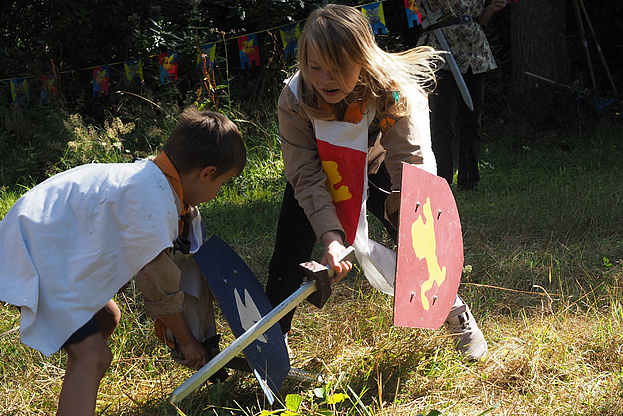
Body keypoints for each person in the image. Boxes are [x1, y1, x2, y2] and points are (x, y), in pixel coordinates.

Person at [265, 4, 487, 362]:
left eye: (337, 68)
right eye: (315, 67)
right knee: (287, 259)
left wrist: (405, 206)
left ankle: (453, 308)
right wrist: (332, 238)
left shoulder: (392, 90)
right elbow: (304, 174)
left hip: (376, 165)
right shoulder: (295, 98)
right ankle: (274, 340)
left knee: (421, 240)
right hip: (322, 176)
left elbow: (411, 160)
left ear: (362, 59)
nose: (324, 79)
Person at [0, 107, 246, 416]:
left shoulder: (152, 181)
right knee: (93, 355)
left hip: (42, 249)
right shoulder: (152, 200)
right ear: (207, 172)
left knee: (106, 318)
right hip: (32, 256)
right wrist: (187, 341)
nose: (218, 192)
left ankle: (76, 394)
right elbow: (159, 286)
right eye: (221, 184)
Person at [415, 0, 506, 191]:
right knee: (442, 124)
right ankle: (442, 184)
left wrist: (490, 9)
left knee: (472, 123)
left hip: (475, 55)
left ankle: (470, 182)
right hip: (442, 53)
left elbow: (477, 19)